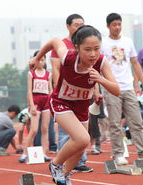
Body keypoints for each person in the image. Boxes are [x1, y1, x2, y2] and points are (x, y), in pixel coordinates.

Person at [29, 25, 120, 185]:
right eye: (87, 50)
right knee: (83, 139)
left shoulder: (101, 62)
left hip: (81, 107)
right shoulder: (67, 58)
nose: (93, 54)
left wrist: (101, 79)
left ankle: (65, 174)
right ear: (76, 48)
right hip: (61, 102)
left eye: (96, 49)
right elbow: (54, 41)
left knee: (80, 146)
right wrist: (38, 58)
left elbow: (116, 90)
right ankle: (55, 165)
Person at [101, 13, 143, 165]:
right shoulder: (103, 44)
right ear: (108, 26)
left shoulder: (128, 42)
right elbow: (99, 66)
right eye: (114, 24)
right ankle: (118, 154)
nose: (117, 27)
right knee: (115, 123)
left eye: (119, 24)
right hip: (112, 88)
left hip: (128, 87)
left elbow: (135, 63)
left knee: (137, 121)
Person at [51, 14, 93, 173]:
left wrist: (95, 90)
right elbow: (56, 69)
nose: (79, 27)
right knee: (66, 134)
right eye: (76, 24)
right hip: (64, 96)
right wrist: (58, 89)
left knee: (83, 136)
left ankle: (77, 163)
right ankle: (59, 166)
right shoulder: (64, 45)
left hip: (81, 96)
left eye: (82, 24)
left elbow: (92, 71)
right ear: (68, 26)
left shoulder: (88, 45)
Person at [19, 51, 52, 163]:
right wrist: (31, 105)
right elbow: (29, 91)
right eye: (39, 59)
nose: (41, 62)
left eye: (43, 60)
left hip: (46, 101)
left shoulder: (48, 74)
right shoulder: (31, 73)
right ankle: (24, 153)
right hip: (36, 102)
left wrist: (52, 104)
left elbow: (50, 90)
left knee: (45, 129)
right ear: (35, 60)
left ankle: (44, 153)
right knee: (33, 130)